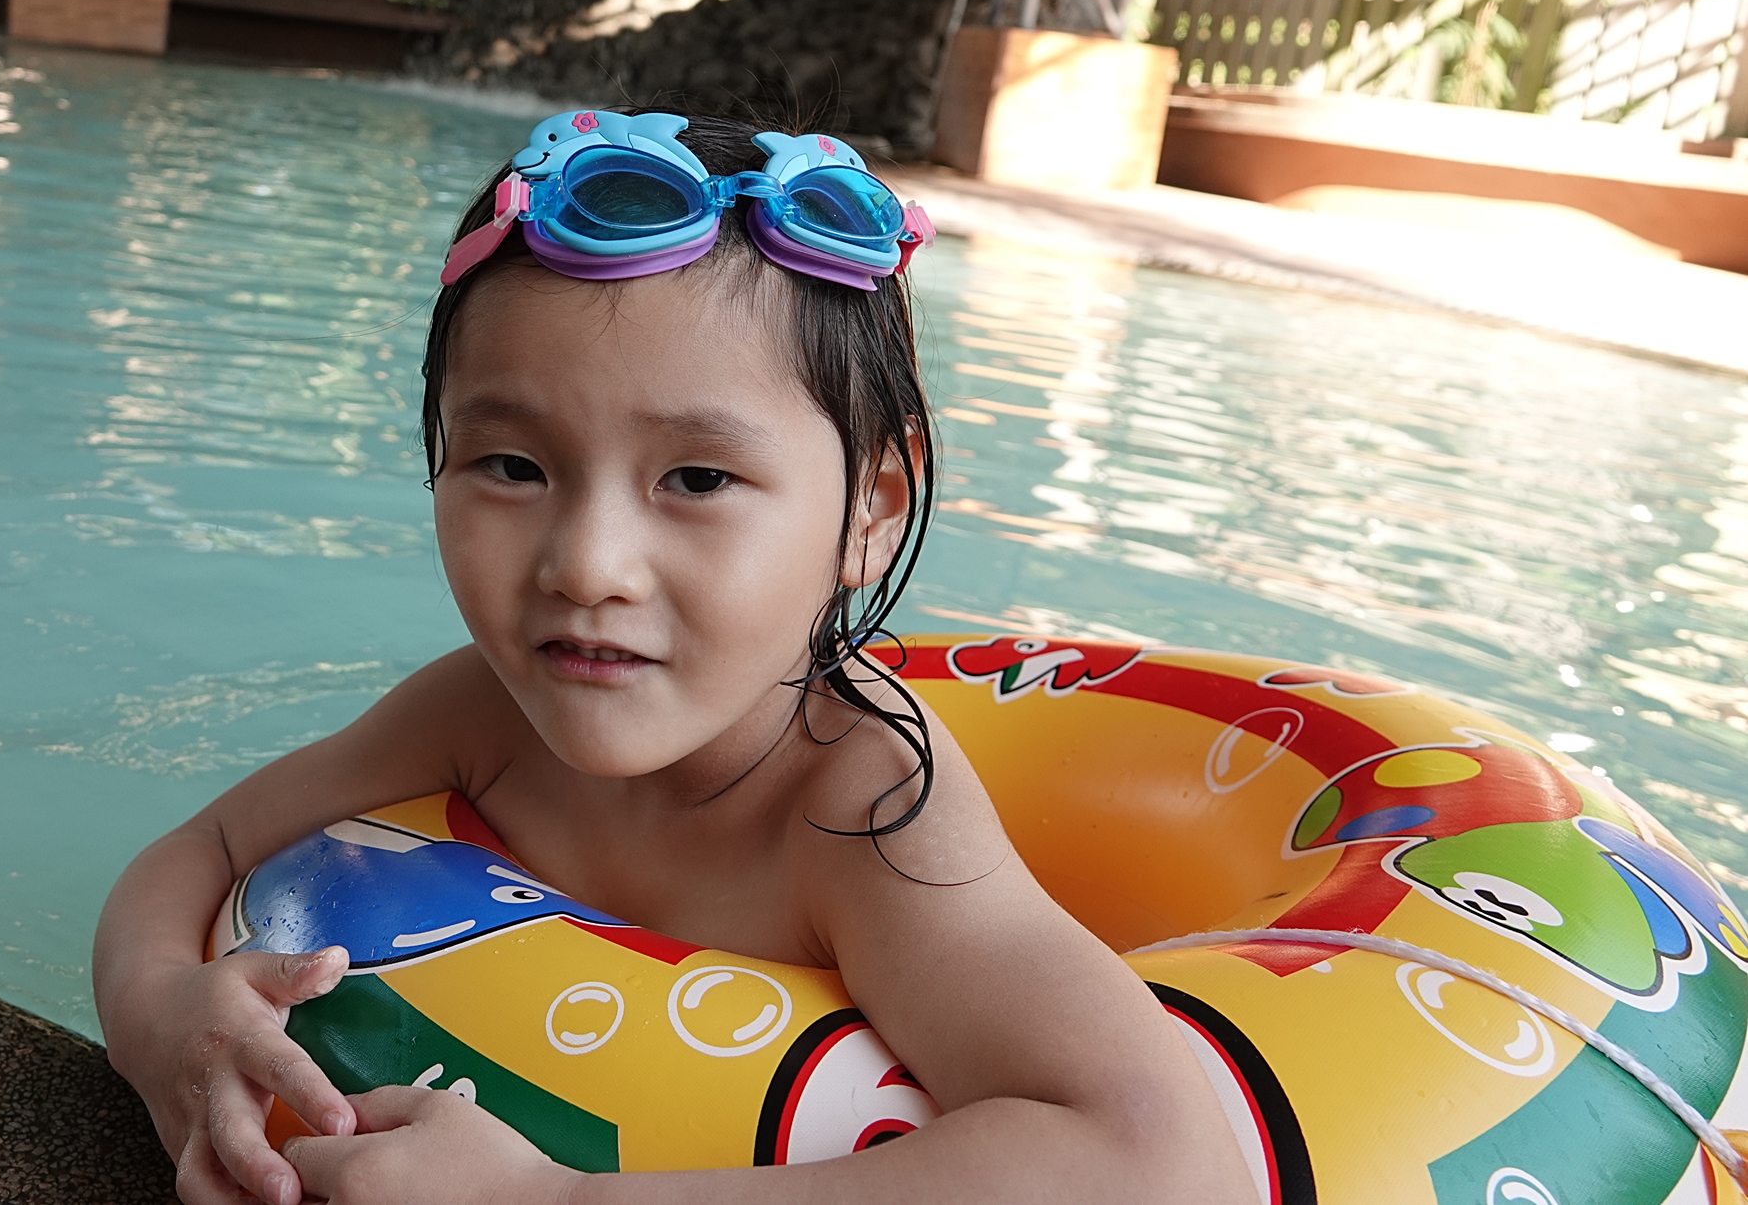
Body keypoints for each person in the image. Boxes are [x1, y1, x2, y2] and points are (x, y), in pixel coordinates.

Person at [92, 107, 1252, 1205]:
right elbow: (203, 848)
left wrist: (550, 1198)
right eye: (512, 466)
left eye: (696, 477)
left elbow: (1155, 1155)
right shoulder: (473, 717)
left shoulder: (865, 808)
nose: (585, 564)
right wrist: (160, 1019)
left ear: (872, 507)